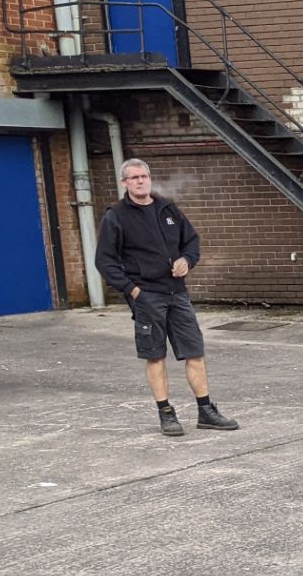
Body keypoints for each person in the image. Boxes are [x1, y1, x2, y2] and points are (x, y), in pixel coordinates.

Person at [95, 159, 239, 436]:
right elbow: (105, 261)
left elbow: (191, 241)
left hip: (178, 294)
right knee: (156, 356)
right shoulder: (116, 216)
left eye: (144, 176)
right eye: (134, 177)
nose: (140, 181)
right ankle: (166, 413)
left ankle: (206, 411)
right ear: (124, 183)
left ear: (150, 178)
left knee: (194, 353)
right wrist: (133, 290)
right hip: (147, 296)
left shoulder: (167, 208)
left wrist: (187, 259)